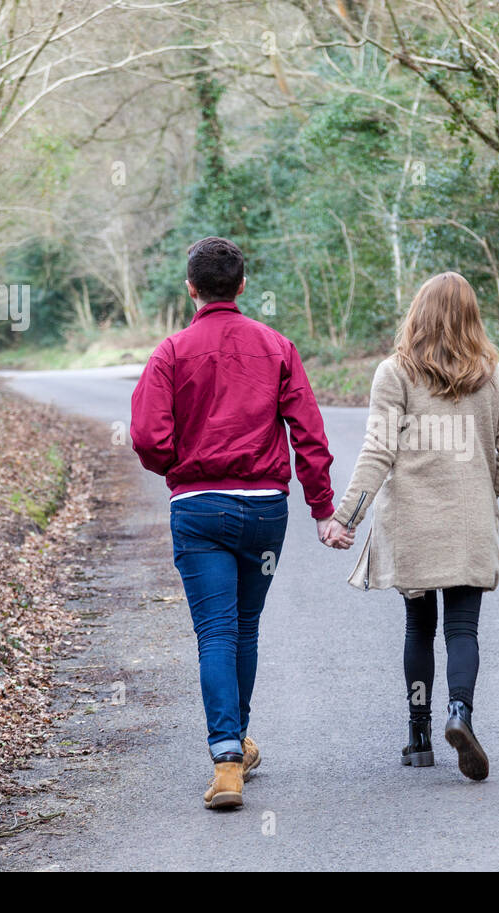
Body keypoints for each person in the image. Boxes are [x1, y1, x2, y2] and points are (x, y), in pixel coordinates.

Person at [130, 236, 352, 811]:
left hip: (199, 508)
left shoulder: (170, 353)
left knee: (216, 633)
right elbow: (309, 435)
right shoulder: (276, 346)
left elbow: (148, 439)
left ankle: (227, 757)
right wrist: (322, 507)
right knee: (244, 628)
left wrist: (176, 467)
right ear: (243, 286)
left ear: (191, 288)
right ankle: (237, 744)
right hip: (263, 511)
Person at [320, 272, 499, 781]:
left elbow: (377, 451)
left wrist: (345, 516)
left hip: (410, 524)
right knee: (463, 628)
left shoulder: (395, 373)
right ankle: (461, 714)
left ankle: (418, 735)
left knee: (419, 626)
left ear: (418, 314)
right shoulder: (494, 375)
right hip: (468, 523)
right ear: (472, 317)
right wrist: (488, 489)